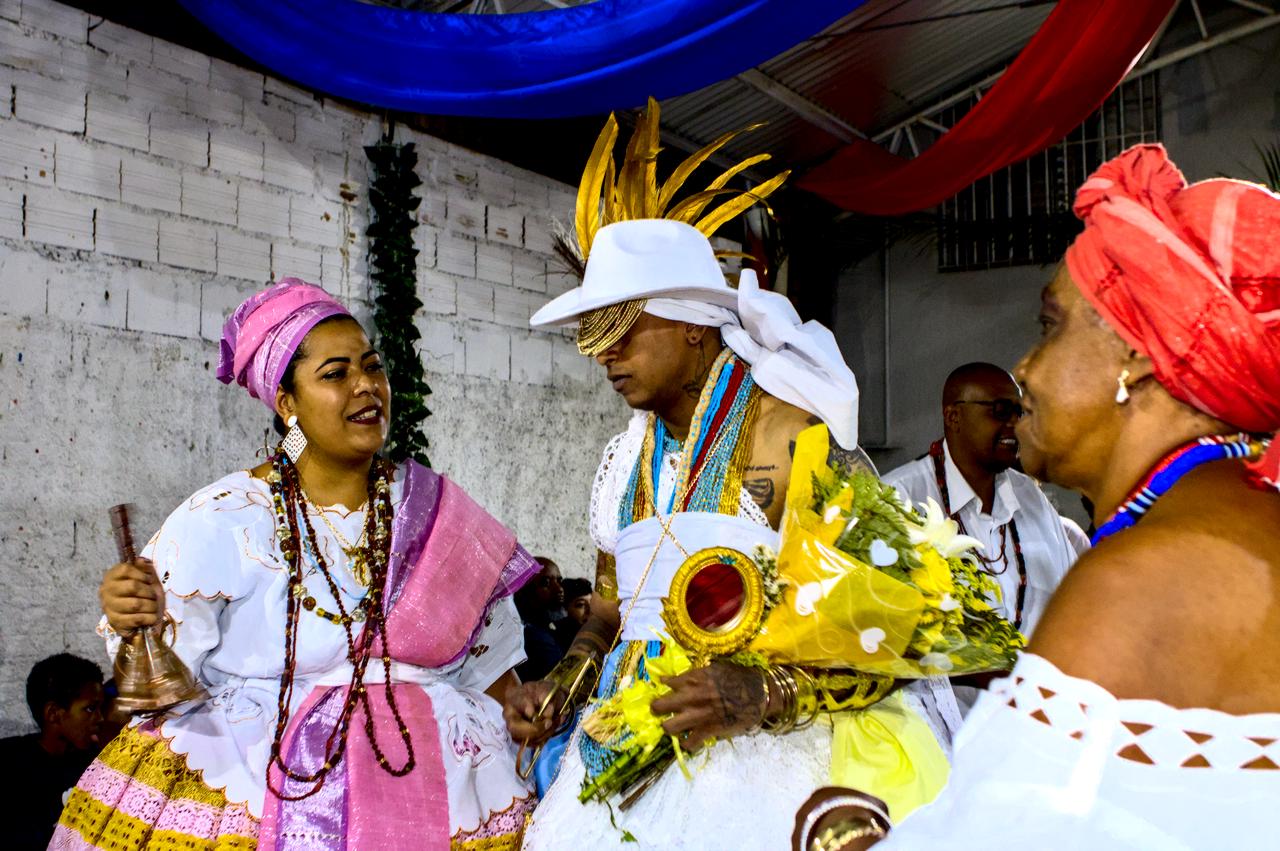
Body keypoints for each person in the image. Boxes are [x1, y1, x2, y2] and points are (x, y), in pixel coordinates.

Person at [792, 144, 1280, 850]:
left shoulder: (1136, 578)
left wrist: (838, 826)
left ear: (1138, 356)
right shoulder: (1238, 513)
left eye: (1049, 326)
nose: (1026, 369)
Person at [507, 102, 953, 850]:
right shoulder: (624, 462)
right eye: (594, 337)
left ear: (690, 322)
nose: (605, 357)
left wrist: (761, 692)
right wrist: (569, 679)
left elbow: (903, 624)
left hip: (770, 766)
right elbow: (612, 609)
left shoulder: (792, 436)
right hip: (629, 763)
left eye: (621, 328)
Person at [53, 279, 538, 849]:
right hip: (256, 785)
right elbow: (162, 681)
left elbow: (493, 674)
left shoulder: (440, 513)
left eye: (372, 366)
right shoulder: (226, 516)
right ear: (287, 404)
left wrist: (527, 710)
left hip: (453, 785)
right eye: (335, 374)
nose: (366, 386)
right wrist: (138, 620)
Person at [0, 653, 104, 848]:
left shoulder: (94, 764)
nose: (100, 719)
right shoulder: (10, 766)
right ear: (53, 713)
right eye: (90, 709)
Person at [516, 556, 568, 682]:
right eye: (546, 583)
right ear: (524, 591)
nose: (559, 589)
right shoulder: (533, 636)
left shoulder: (546, 627)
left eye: (559, 581)